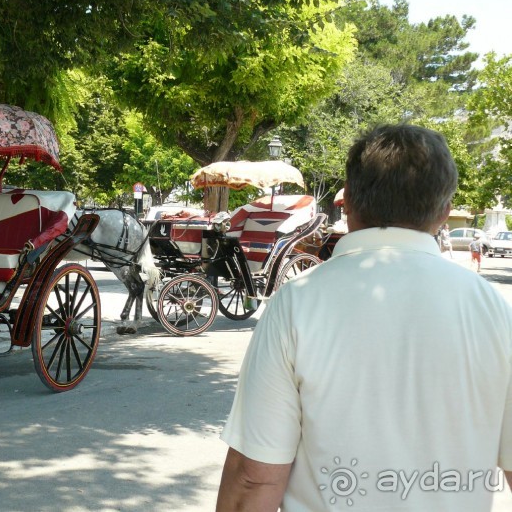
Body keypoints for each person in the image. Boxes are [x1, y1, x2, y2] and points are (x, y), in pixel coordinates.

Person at [216, 124, 512, 511]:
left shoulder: (297, 302)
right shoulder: (492, 309)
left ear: (348, 201)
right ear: (444, 211)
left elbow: (255, 476)